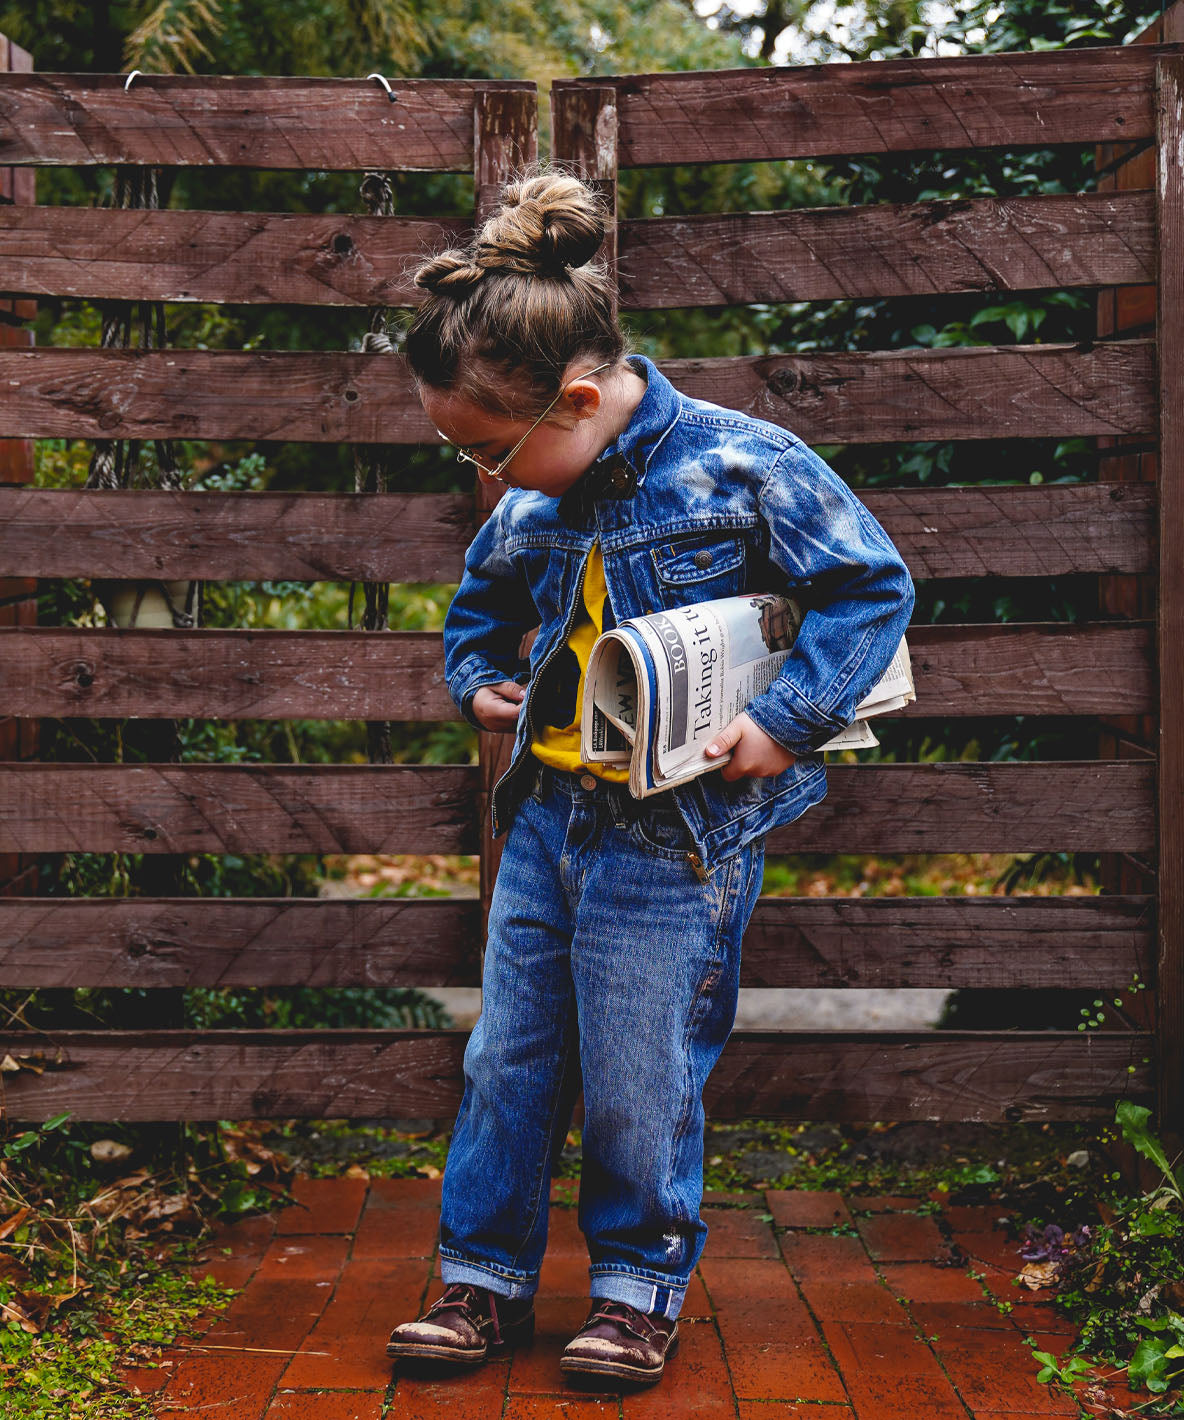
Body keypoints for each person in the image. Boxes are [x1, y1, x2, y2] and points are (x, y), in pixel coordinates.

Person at [385, 167, 915, 1387]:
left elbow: (868, 585)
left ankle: (633, 1292)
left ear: (575, 400)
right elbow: (479, 604)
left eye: (487, 450)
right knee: (507, 1060)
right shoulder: (531, 496)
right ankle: (481, 1278)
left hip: (674, 841)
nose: (483, 477)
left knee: (641, 1068)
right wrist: (476, 680)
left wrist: (787, 718)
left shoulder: (746, 463)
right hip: (544, 824)